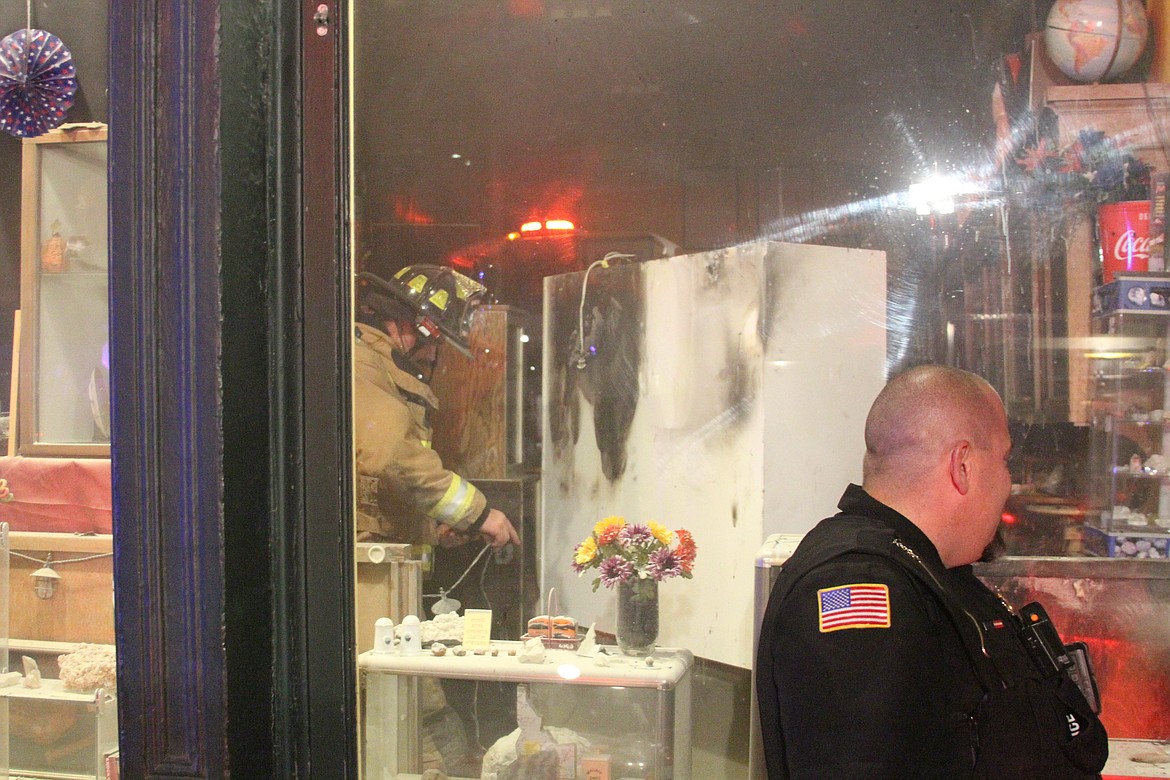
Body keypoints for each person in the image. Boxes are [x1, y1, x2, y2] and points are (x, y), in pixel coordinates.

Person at [755, 365, 1107, 779]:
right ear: (963, 465)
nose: (1009, 483)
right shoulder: (861, 584)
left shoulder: (930, 573)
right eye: (1005, 461)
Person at [353, 264, 519, 550]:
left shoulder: (380, 367)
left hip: (380, 555)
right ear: (411, 324)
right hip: (367, 565)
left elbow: (388, 489)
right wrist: (479, 514)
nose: (433, 353)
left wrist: (434, 529)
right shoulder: (361, 364)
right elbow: (394, 458)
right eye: (434, 340)